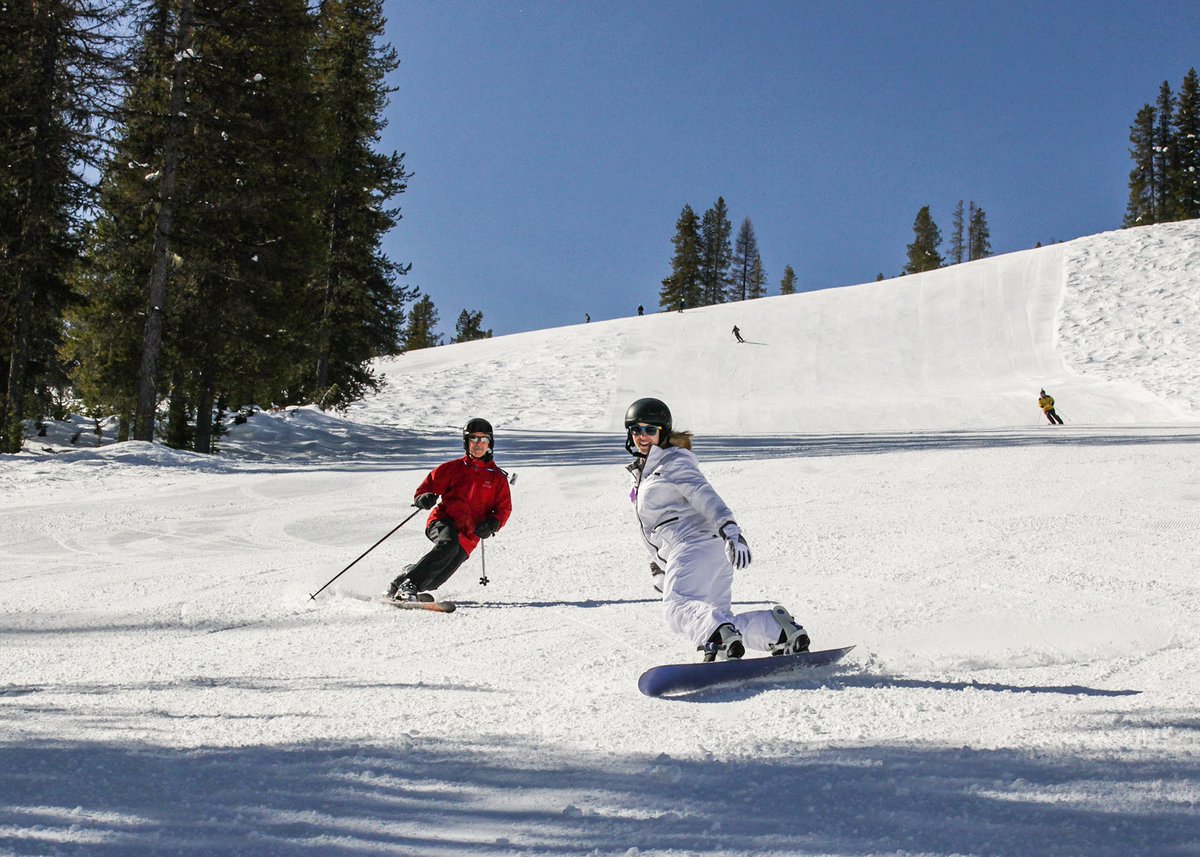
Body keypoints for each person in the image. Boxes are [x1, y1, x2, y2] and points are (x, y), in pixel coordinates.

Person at [623, 397, 810, 662]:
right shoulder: (648, 471)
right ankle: (779, 633)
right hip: (708, 551)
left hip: (692, 546)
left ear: (662, 432)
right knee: (721, 620)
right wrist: (659, 567)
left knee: (677, 610)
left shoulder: (672, 462)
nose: (642, 436)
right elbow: (655, 527)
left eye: (650, 430)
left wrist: (730, 529)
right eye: (636, 430)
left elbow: (703, 494)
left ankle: (719, 640)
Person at [386, 418, 512, 601]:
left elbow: (504, 508)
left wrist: (493, 524)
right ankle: (409, 585)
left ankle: (405, 577)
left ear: (490, 443)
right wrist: (424, 498)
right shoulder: (453, 469)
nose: (478, 444)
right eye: (474, 439)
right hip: (443, 521)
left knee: (434, 580)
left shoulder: (497, 478)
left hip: (470, 536)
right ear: (466, 442)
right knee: (449, 544)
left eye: (483, 440)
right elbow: (425, 489)